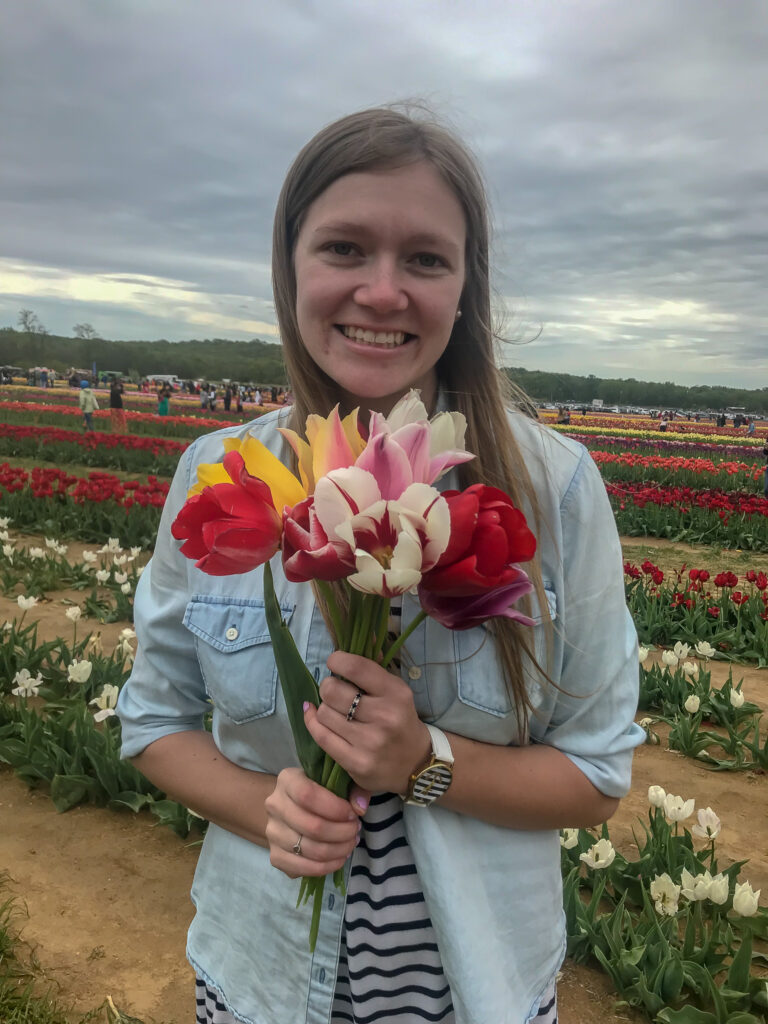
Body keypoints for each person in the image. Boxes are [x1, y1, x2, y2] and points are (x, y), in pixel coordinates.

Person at [116, 107, 643, 1024]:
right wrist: (266, 807)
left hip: (472, 993)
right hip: (262, 981)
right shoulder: (218, 475)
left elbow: (596, 775)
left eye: (426, 260)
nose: (383, 292)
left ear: (466, 285)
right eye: (346, 248)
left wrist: (425, 763)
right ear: (290, 269)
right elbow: (153, 721)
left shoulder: (551, 487)